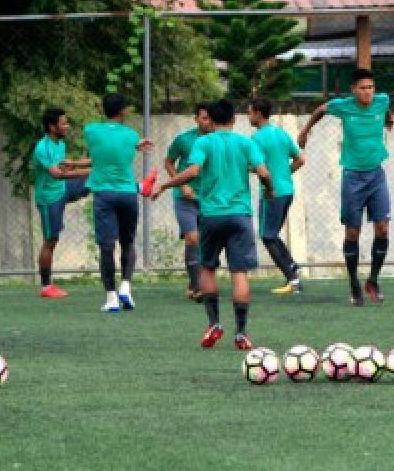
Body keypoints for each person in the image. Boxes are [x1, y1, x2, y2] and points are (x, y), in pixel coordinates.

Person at [153, 99, 273, 350]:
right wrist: (269, 189)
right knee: (238, 273)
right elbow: (263, 173)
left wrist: (166, 185)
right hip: (240, 215)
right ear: (234, 119)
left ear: (212, 119)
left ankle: (214, 324)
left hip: (211, 215)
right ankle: (241, 333)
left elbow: (193, 171)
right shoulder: (246, 142)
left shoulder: (203, 142)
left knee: (207, 268)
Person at [297, 68, 394, 305]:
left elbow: (386, 108)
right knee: (352, 232)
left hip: (377, 175)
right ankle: (353, 283)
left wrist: (389, 119)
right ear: (353, 90)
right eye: (363, 88)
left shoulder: (382, 101)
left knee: (382, 228)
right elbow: (321, 109)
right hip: (352, 177)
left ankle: (373, 280)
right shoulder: (344, 106)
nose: (368, 92)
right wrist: (305, 130)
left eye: (371, 87)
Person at [84, 93, 153, 313]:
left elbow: (98, 153)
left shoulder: (91, 130)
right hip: (127, 193)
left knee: (107, 245)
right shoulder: (132, 135)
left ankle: (111, 297)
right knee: (128, 241)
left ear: (103, 109)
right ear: (123, 111)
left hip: (104, 194)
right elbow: (125, 144)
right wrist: (136, 144)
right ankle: (126, 285)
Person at [32, 107, 91, 299]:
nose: (67, 126)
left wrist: (85, 166)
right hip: (50, 198)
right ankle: (46, 287)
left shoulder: (60, 144)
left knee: (97, 182)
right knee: (51, 240)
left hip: (63, 189)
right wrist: (89, 171)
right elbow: (57, 174)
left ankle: (139, 187)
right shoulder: (42, 147)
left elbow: (65, 166)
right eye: (63, 123)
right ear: (52, 127)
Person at [249, 98, 305, 294]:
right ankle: (292, 267)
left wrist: (247, 169)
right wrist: (284, 173)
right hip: (287, 191)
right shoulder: (281, 134)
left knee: (267, 235)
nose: (249, 116)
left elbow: (256, 166)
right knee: (272, 235)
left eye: (250, 112)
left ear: (257, 113)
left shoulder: (256, 139)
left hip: (272, 193)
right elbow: (300, 159)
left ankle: (292, 278)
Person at [163, 104, 214, 302]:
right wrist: (182, 184)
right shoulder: (184, 140)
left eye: (210, 118)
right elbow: (168, 162)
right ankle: (198, 285)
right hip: (184, 198)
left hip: (209, 198)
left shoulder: (216, 140)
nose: (207, 122)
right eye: (204, 118)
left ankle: (196, 282)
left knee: (206, 242)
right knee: (192, 238)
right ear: (196, 119)